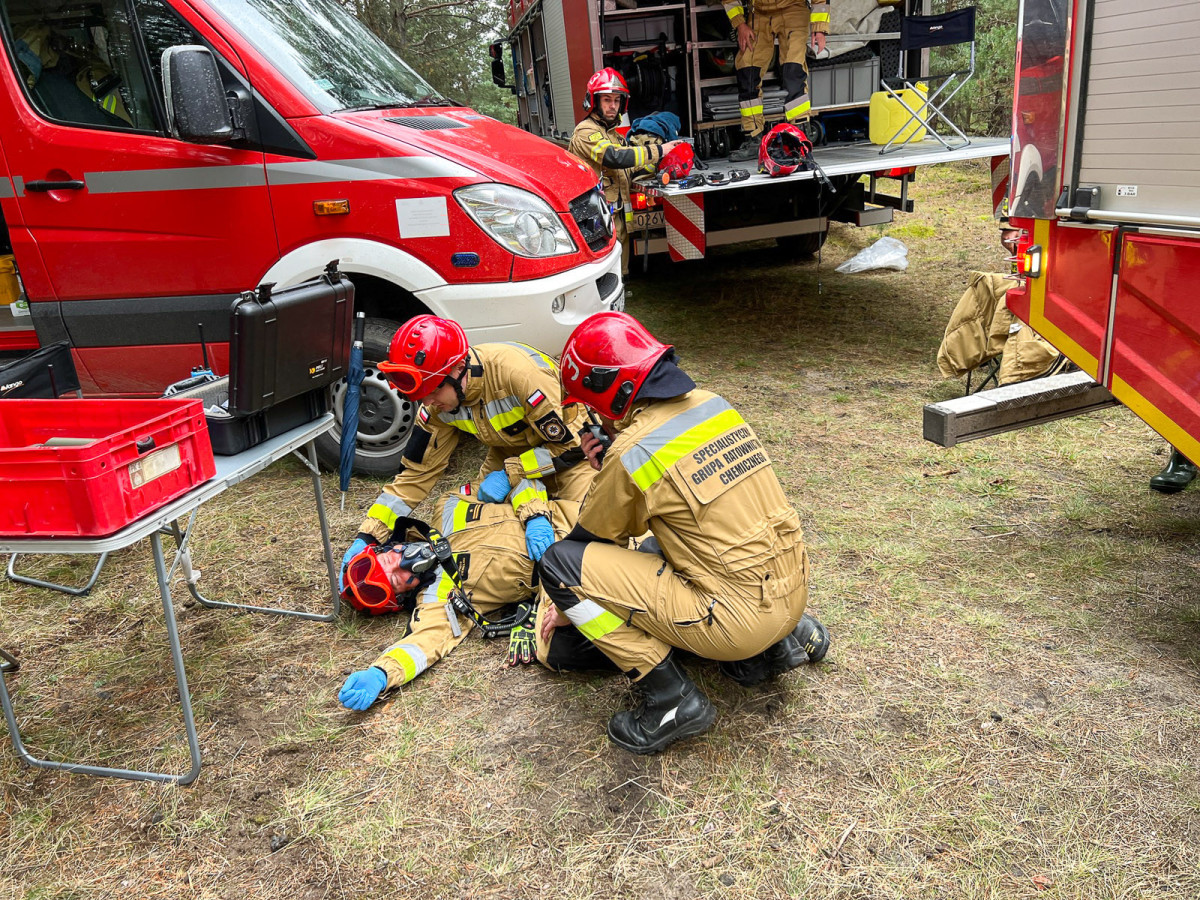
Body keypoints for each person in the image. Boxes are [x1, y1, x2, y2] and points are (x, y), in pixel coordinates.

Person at [537, 312, 829, 754]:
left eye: (592, 405)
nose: (595, 416)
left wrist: (565, 607)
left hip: (739, 620)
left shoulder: (633, 450)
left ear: (609, 392)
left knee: (558, 565)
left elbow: (589, 544)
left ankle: (671, 700)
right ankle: (773, 649)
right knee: (665, 543)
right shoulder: (714, 405)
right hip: (793, 590)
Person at [342, 315, 596, 584]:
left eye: (433, 390)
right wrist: (369, 534)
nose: (427, 402)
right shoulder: (437, 404)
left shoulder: (519, 376)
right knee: (478, 525)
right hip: (508, 456)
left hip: (572, 458)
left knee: (585, 529)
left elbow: (573, 445)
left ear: (458, 368)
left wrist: (512, 473)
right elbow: (417, 474)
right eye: (421, 394)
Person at [339, 494, 615, 711]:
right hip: (567, 575)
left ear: (389, 546)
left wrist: (533, 513)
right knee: (553, 649)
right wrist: (382, 673)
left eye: (389, 559)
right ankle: (633, 646)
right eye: (397, 578)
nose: (403, 563)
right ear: (401, 596)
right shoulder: (438, 595)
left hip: (574, 517)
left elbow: (518, 483)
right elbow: (425, 641)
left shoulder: (448, 505)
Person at [566, 68, 685, 276]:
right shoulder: (586, 131)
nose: (613, 106)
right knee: (602, 273)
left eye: (617, 100)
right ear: (594, 101)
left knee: (620, 272)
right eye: (607, 100)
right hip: (595, 220)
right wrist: (659, 150)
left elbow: (630, 168)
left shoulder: (614, 136)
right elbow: (615, 157)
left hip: (615, 218)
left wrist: (663, 164)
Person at [725, 0, 830, 162]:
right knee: (747, 72)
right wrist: (740, 24)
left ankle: (799, 138)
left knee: (793, 70)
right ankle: (754, 138)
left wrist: (820, 28)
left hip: (793, 9)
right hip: (759, 14)